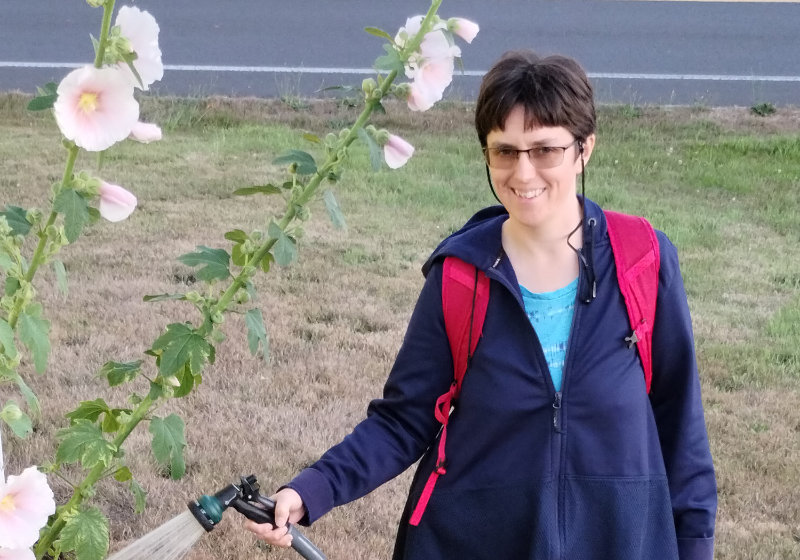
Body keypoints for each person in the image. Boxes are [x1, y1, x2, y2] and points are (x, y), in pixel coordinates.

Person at [244, 50, 717, 559]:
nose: (524, 172)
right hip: (472, 541)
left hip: (619, 541)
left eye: (545, 150)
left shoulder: (641, 258)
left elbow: (680, 427)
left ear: (585, 149)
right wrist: (309, 492)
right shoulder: (460, 274)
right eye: (505, 151)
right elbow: (403, 420)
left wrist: (692, 548)